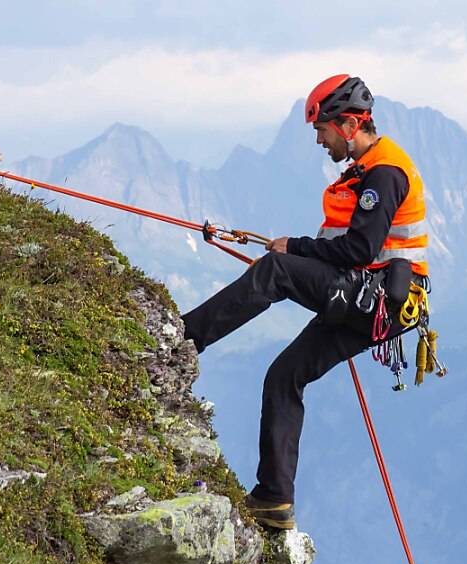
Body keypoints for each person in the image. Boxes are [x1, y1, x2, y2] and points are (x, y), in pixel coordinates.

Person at [181, 74, 429, 529]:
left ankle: (181, 340)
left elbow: (358, 250)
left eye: (323, 129)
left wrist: (294, 249)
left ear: (350, 124)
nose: (319, 139)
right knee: (284, 375)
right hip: (373, 301)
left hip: (374, 299)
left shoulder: (385, 173)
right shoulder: (366, 169)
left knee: (275, 271)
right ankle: (275, 500)